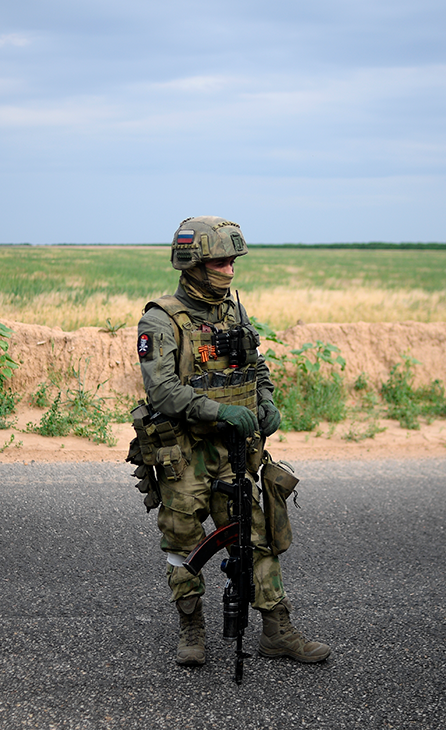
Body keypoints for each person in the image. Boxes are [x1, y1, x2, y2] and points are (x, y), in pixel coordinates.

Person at [134, 215, 330, 667]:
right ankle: (191, 628)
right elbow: (162, 390)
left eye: (232, 261)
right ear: (194, 264)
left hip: (234, 450)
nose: (230, 270)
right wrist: (220, 410)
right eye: (221, 261)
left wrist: (265, 401)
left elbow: (256, 366)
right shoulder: (160, 321)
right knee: (183, 541)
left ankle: (278, 632)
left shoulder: (233, 311)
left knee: (256, 535)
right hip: (183, 453)